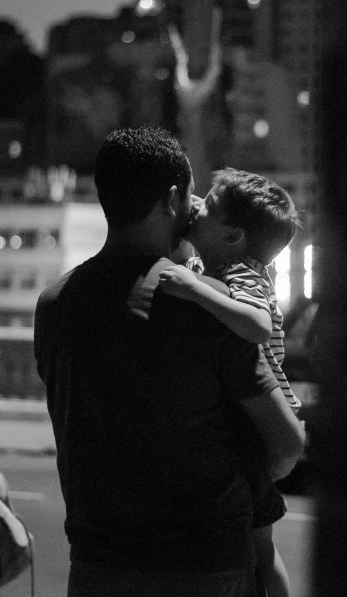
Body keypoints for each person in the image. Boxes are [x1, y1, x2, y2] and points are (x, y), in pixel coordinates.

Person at [34, 127, 304, 597]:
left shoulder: (55, 304)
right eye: (193, 196)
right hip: (204, 565)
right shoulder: (207, 304)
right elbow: (286, 442)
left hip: (98, 565)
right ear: (173, 198)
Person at [159, 167, 302, 597]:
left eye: (211, 207)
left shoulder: (244, 272)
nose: (198, 205)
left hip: (260, 427)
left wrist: (194, 288)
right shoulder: (221, 261)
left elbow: (257, 325)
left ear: (233, 237)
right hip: (253, 419)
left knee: (261, 545)